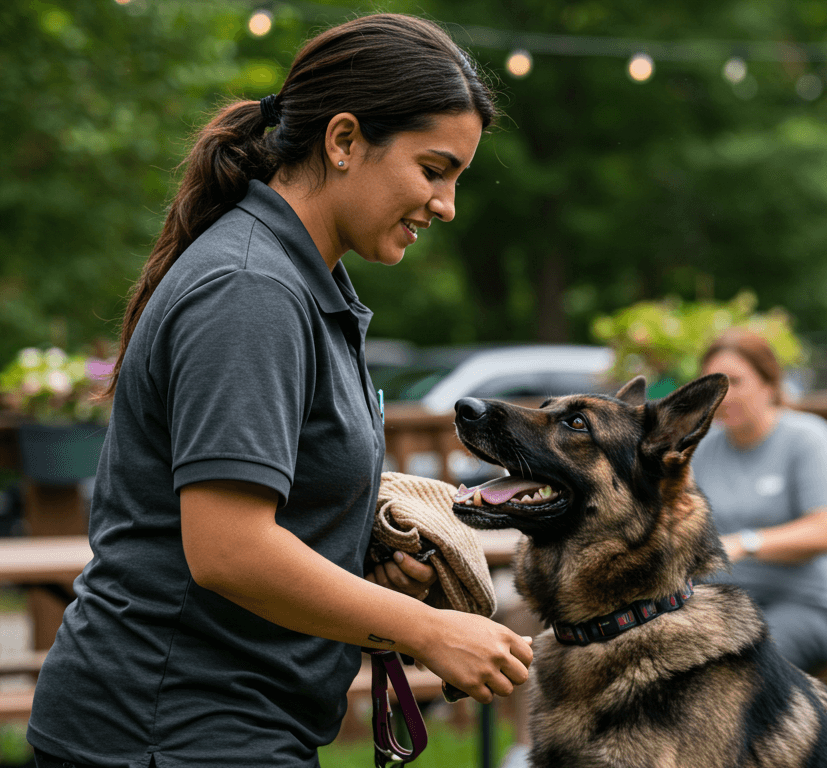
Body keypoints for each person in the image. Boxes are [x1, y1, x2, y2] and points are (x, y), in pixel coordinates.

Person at [26, 15, 532, 768]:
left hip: (222, 726)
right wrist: (424, 629)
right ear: (343, 141)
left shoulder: (302, 278)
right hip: (165, 731)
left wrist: (358, 551)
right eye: (433, 169)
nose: (447, 204)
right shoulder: (251, 289)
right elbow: (227, 549)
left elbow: (270, 514)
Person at [691, 329, 827, 673]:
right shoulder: (703, 449)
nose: (723, 395)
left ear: (769, 384)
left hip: (804, 605)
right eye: (713, 383)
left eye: (735, 381)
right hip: (719, 603)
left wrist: (745, 543)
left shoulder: (808, 438)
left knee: (744, 667)